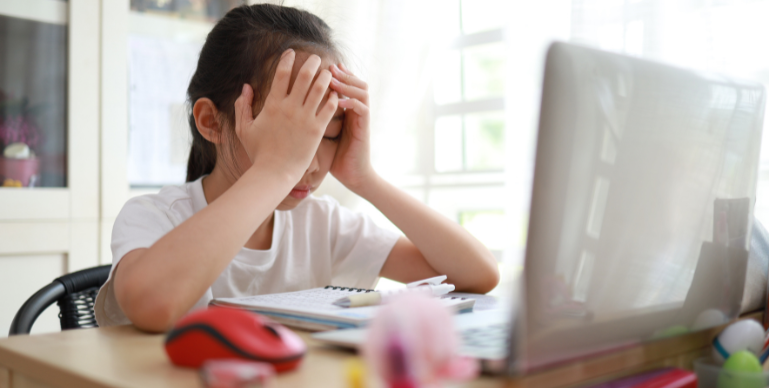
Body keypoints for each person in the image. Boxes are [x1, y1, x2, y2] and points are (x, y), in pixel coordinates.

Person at [94, 4, 499, 332]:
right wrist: (273, 171)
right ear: (212, 121)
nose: (310, 160)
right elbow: (153, 305)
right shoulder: (154, 217)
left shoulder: (323, 225)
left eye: (330, 133)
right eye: (291, 133)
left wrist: (365, 178)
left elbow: (477, 274)